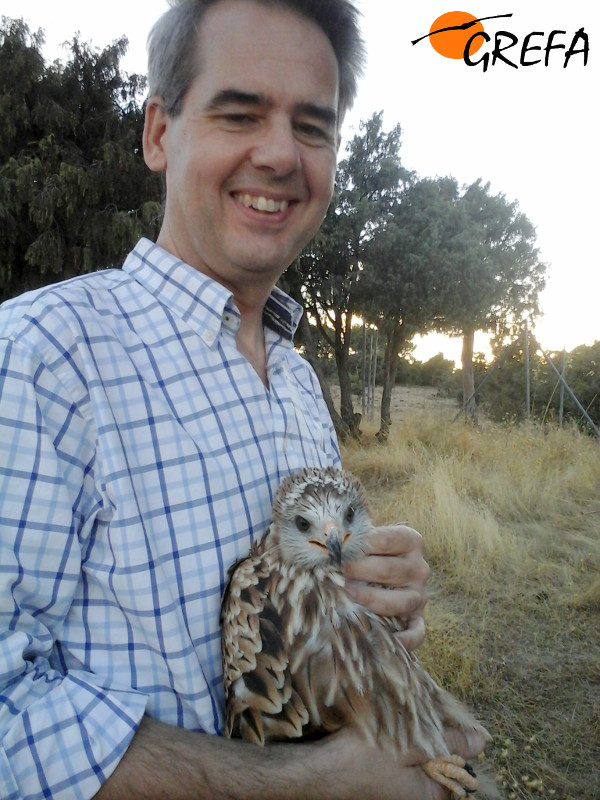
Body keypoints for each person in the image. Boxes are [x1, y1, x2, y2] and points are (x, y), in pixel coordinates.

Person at [0, 1, 485, 798]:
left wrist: (375, 617)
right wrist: (317, 784)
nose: (279, 155)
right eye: (240, 113)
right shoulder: (39, 359)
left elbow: (303, 629)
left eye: (313, 127)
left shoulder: (297, 381)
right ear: (159, 132)